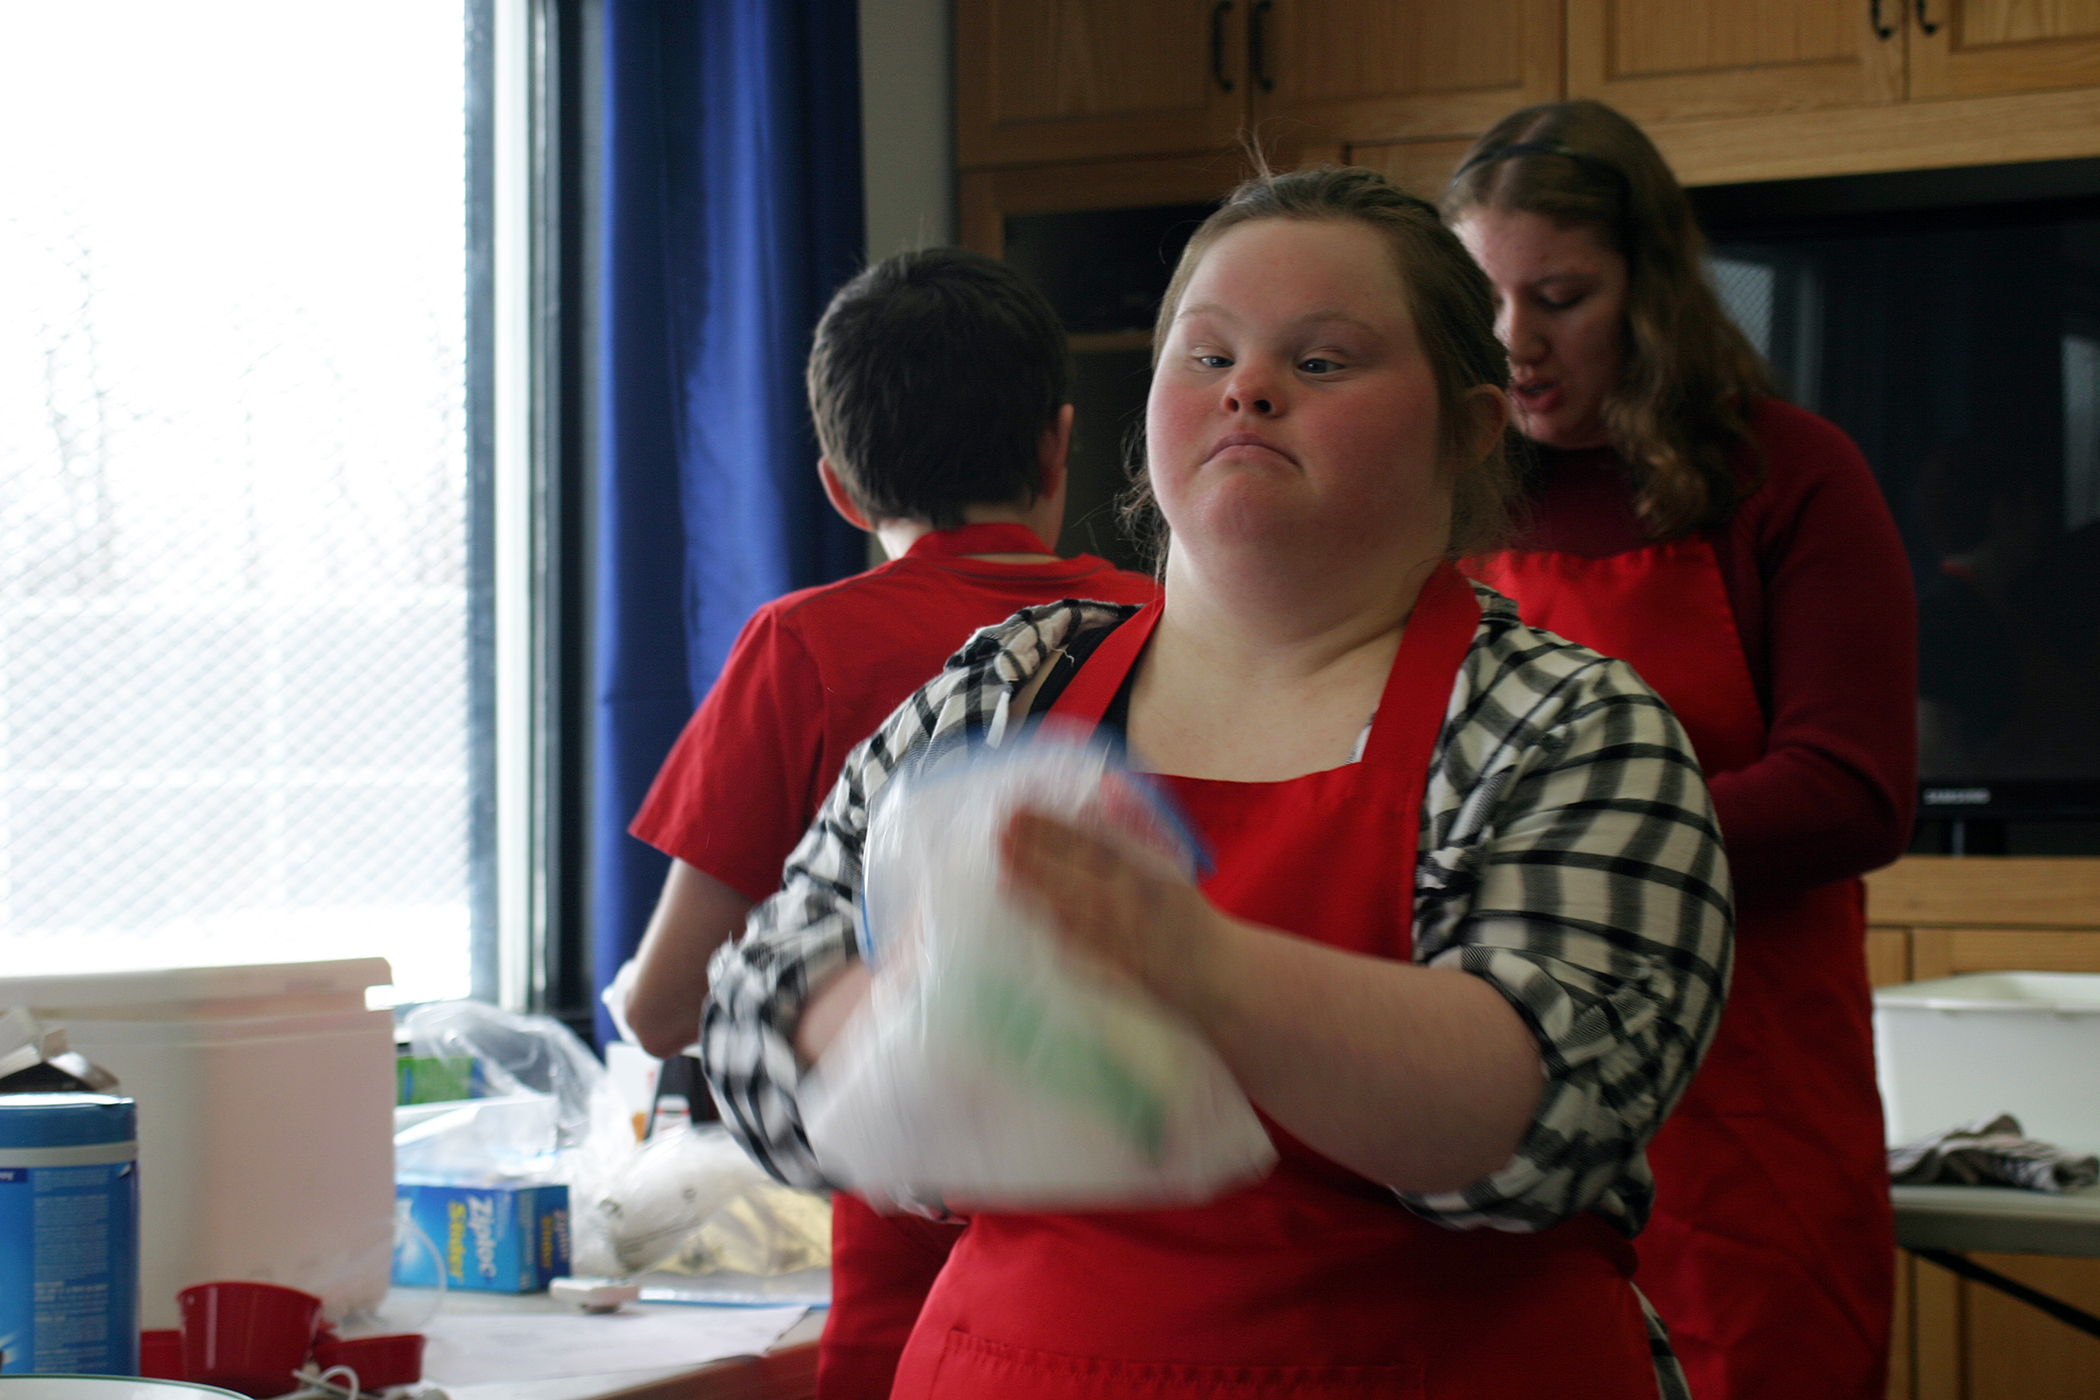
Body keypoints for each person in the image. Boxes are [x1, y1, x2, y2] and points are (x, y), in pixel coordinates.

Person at [704, 167, 1734, 1399]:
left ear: (1470, 426)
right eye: (1207, 356)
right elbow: (756, 1017)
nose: (1248, 388)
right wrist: (907, 1015)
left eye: (1324, 361)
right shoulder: (1002, 691)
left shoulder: (1565, 728)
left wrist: (1199, 967)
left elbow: (1543, 1121)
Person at [622, 247, 1158, 1399]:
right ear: (1061, 442)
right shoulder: (1157, 628)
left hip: (914, 1286)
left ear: (839, 488)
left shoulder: (806, 647)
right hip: (1145, 1244)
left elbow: (670, 1004)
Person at [1444, 99, 1918, 1400]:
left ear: (1649, 293)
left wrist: (1560, 850)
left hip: (1745, 1101)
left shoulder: (1792, 476)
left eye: (1562, 297)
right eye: (1482, 299)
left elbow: (1853, 790)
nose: (1516, 345)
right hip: (1496, 1101)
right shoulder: (1433, 499)